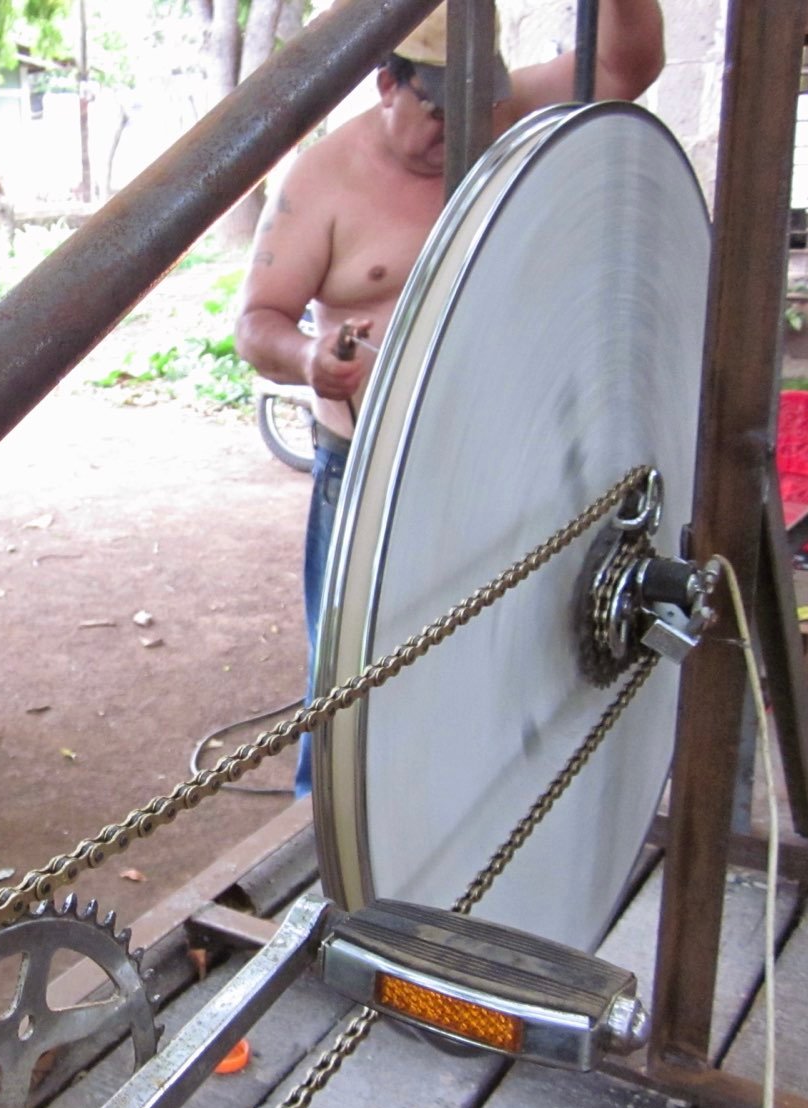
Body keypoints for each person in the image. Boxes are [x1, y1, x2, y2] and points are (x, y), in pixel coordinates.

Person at [235, 0, 666, 800]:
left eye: (469, 104)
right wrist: (308, 358)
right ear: (385, 84)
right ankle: (321, 850)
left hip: (487, 458)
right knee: (348, 676)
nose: (453, 130)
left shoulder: (493, 116)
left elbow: (624, 67)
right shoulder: (324, 177)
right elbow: (256, 323)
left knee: (478, 655)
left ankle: (453, 832)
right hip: (366, 466)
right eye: (436, 108)